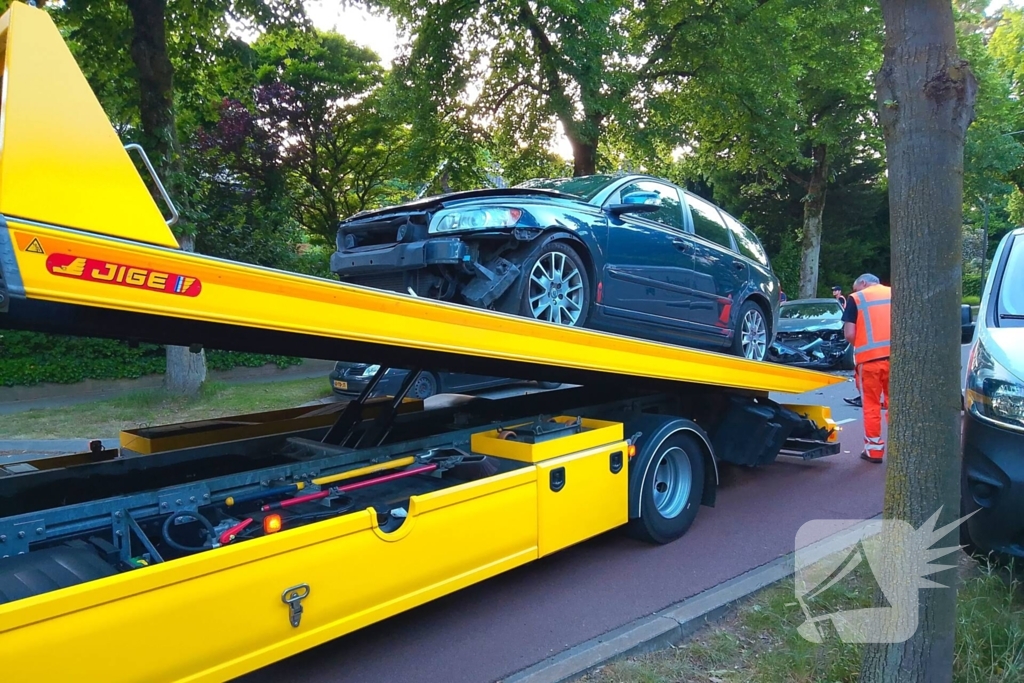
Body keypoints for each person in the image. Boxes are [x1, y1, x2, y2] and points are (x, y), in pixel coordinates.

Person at [842, 274, 891, 463]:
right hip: (896, 359)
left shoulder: (856, 298)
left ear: (862, 283)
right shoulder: (896, 293)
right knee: (896, 404)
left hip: (869, 361)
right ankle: (901, 448)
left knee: (871, 405)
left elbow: (849, 334)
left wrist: (863, 345)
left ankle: (874, 451)